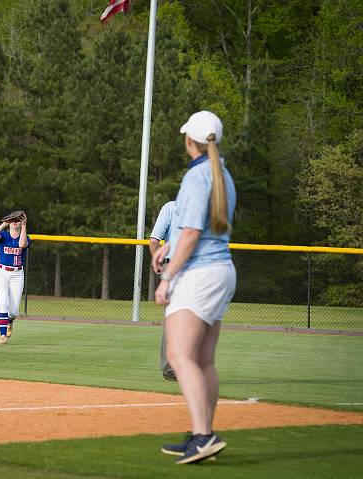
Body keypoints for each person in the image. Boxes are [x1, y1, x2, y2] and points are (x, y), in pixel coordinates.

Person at [152, 111, 236, 464]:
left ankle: (203, 436)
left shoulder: (196, 176)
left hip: (198, 274)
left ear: (190, 142)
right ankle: (205, 435)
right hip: (222, 270)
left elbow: (191, 232)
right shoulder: (223, 175)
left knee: (179, 355)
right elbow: (199, 227)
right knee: (203, 360)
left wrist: (168, 278)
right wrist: (170, 247)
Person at [0, 211, 30, 345]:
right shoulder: (4, 235)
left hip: (17, 274)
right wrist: (4, 224)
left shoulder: (26, 236)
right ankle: (2, 336)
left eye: (18, 220)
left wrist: (23, 225)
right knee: (2, 303)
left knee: (14, 311)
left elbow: (22, 245)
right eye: (13, 220)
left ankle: (10, 321)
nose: (15, 222)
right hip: (1, 272)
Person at [149, 200, 177, 381]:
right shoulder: (205, 206)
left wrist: (156, 261)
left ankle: (170, 367)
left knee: (173, 318)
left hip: (172, 266)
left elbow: (154, 240)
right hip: (198, 269)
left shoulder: (171, 207)